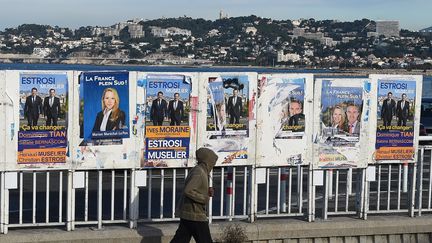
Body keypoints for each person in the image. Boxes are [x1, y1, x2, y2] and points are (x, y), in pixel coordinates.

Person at [171, 147, 218, 243]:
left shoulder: (201, 170)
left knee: (181, 239)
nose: (213, 164)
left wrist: (206, 190)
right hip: (195, 213)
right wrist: (204, 198)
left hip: (189, 213)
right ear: (207, 161)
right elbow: (189, 190)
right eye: (212, 162)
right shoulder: (199, 172)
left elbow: (195, 187)